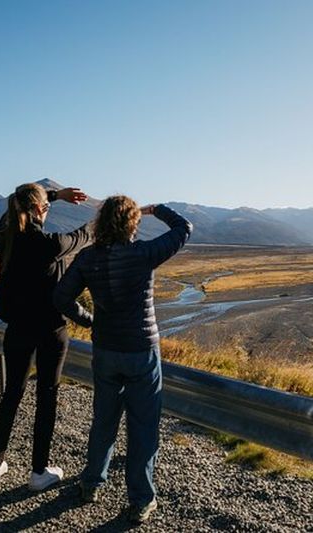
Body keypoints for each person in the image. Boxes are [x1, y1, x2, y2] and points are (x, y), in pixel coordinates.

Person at [53, 196, 192, 524]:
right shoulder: (143, 254)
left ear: (102, 222)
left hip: (106, 350)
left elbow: (60, 296)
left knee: (104, 420)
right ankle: (141, 500)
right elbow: (184, 227)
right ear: (132, 223)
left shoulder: (88, 258)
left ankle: (91, 483)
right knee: (143, 427)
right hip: (141, 350)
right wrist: (156, 209)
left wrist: (89, 320)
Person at [0, 183, 92, 491]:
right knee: (47, 395)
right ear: (38, 210)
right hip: (51, 330)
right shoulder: (49, 243)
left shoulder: (5, 235)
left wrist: (53, 196)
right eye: (45, 206)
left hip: (18, 327)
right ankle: (39, 471)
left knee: (12, 394)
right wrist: (95, 225)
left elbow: (16, 200)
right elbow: (81, 238)